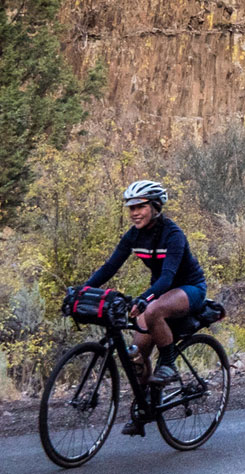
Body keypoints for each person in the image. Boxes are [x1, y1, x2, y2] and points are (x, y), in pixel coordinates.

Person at [84, 180, 207, 436]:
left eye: (140, 206)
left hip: (188, 288)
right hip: (161, 292)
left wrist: (144, 299)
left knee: (151, 311)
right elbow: (109, 268)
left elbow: (168, 277)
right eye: (130, 208)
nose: (134, 213)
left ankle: (169, 363)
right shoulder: (133, 235)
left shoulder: (173, 234)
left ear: (155, 206)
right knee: (136, 355)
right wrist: (82, 290)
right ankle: (146, 406)